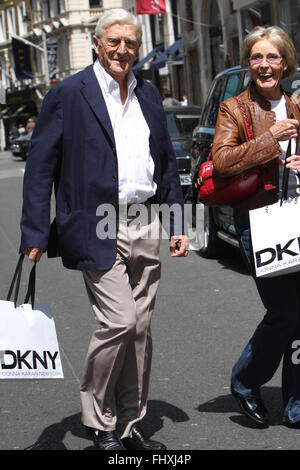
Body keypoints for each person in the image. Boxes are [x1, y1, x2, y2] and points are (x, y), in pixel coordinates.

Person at [19, 8, 189, 450]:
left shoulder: (149, 93)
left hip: (144, 217)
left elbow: (165, 163)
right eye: (113, 41)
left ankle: (130, 423)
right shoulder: (69, 93)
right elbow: (40, 169)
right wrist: (35, 233)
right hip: (96, 222)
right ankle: (99, 418)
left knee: (141, 328)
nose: (122, 50)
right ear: (97, 43)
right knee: (119, 321)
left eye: (130, 42)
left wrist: (177, 220)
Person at [212, 26, 300, 428]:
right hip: (262, 222)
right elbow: (223, 160)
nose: (264, 65)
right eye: (256, 57)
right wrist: (270, 138)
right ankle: (245, 381)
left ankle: (296, 404)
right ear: (249, 63)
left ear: (285, 62)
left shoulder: (297, 104)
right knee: (284, 311)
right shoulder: (235, 108)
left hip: (298, 216)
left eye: (272, 57)